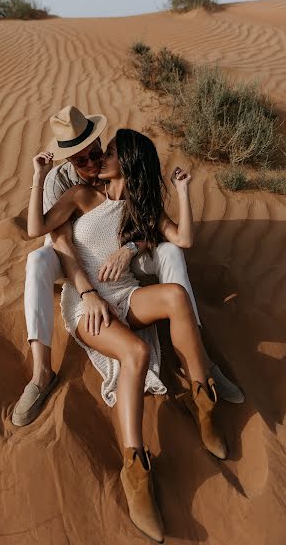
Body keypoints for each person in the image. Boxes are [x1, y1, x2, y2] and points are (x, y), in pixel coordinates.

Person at [25, 127, 229, 542]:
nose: (100, 158)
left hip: (126, 296)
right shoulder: (82, 196)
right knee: (134, 352)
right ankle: (135, 469)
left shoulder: (142, 207)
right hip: (88, 307)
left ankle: (203, 398)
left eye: (110, 152)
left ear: (126, 163)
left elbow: (184, 239)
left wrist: (184, 192)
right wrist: (39, 177)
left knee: (174, 296)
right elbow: (36, 229)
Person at [10, 106, 244, 429]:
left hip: (122, 258)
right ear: (68, 160)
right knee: (37, 260)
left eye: (97, 153)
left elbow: (147, 220)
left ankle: (198, 359)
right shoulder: (60, 185)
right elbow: (61, 242)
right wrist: (88, 292)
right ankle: (41, 373)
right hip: (73, 258)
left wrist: (131, 247)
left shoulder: (121, 174)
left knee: (173, 254)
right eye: (82, 161)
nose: (93, 164)